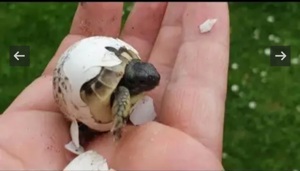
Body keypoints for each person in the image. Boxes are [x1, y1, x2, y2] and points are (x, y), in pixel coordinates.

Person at [0, 2, 229, 170]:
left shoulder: (129, 66)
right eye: (144, 82)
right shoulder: (121, 90)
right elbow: (121, 93)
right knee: (120, 95)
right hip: (79, 88)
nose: (152, 85)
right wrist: (118, 121)